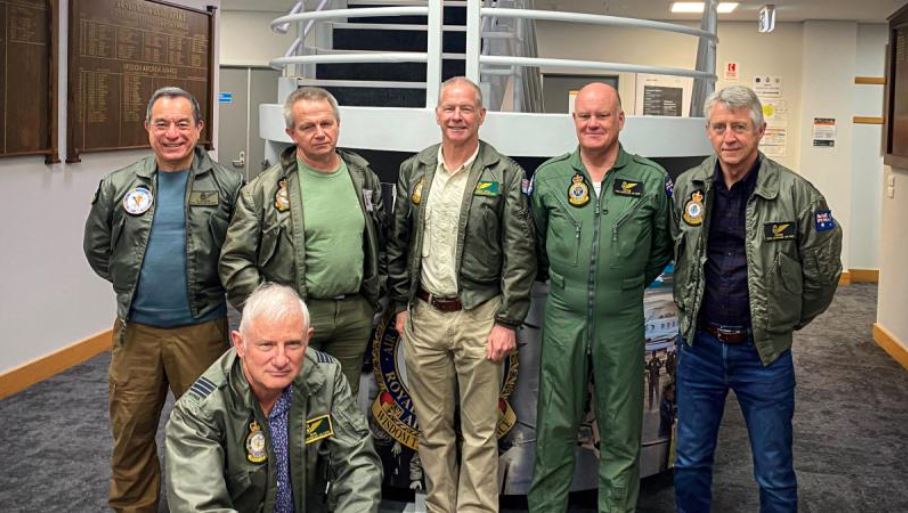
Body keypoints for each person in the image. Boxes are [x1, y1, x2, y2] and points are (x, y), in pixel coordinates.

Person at [671, 85, 843, 513]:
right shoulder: (688, 187)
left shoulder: (797, 194)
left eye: (739, 127)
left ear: (760, 131)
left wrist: (784, 319)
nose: (729, 137)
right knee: (690, 461)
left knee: (774, 471)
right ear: (708, 132)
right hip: (699, 349)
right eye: (720, 127)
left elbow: (823, 273)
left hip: (763, 354)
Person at [83, 87, 244, 513]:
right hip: (136, 335)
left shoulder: (228, 185)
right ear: (148, 128)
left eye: (182, 124)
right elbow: (98, 249)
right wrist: (133, 284)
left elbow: (243, 252)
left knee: (207, 434)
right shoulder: (119, 184)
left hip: (202, 333)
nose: (172, 133)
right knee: (131, 435)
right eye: (163, 124)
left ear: (200, 128)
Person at [387, 76, 536, 513]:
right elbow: (398, 241)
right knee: (432, 431)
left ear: (481, 115)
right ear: (437, 114)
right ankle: (439, 506)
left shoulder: (503, 173)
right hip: (425, 314)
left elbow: (520, 254)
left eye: (466, 108)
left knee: (479, 432)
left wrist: (507, 321)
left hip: (481, 316)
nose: (457, 116)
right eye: (449, 108)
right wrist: (400, 305)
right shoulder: (415, 169)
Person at [527, 82, 673, 513]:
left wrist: (622, 282)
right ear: (574, 120)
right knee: (554, 428)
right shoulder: (550, 177)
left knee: (621, 431)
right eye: (585, 116)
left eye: (603, 115)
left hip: (621, 318)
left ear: (620, 119)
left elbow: (661, 247)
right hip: (563, 315)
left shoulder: (650, 179)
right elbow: (536, 244)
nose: (593, 123)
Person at [219, 87, 385, 397]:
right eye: (308, 126)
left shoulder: (363, 177)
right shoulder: (263, 191)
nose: (320, 133)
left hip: (354, 315)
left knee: (341, 404)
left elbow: (380, 243)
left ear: (338, 124)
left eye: (326, 123)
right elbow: (235, 261)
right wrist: (272, 312)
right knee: (290, 404)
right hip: (294, 318)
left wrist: (374, 299)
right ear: (291, 133)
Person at [165, 283, 382, 513]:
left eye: (292, 344)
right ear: (240, 343)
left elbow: (359, 465)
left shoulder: (327, 379)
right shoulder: (198, 412)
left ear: (308, 339)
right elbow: (200, 506)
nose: (280, 359)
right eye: (266, 345)